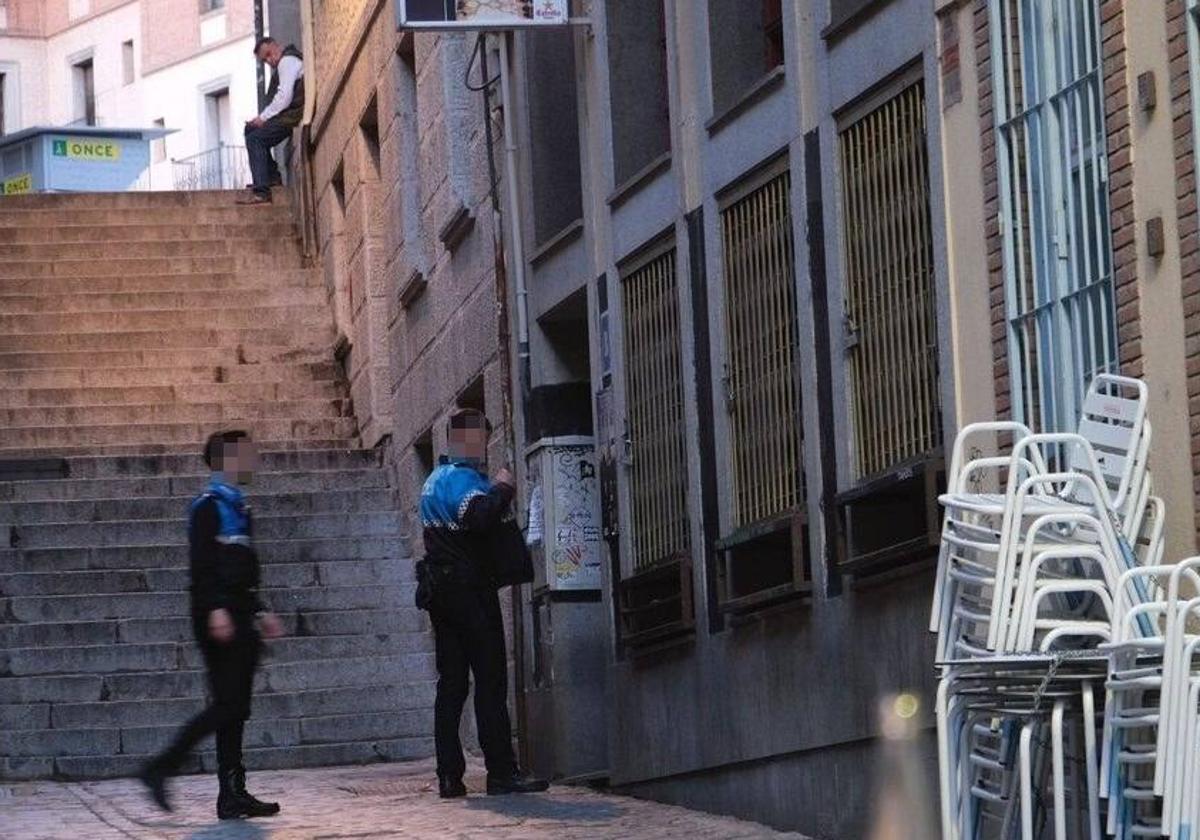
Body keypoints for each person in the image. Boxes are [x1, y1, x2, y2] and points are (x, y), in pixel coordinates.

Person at [139, 430, 284, 820]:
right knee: (228, 706)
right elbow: (202, 566)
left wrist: (258, 609)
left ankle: (232, 794)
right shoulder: (208, 507)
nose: (253, 461)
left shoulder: (239, 507)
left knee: (235, 709)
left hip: (239, 614)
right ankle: (161, 767)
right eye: (247, 455)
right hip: (219, 616)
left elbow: (241, 570)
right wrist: (216, 609)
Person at [416, 408, 548, 798]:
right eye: (482, 441)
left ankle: (449, 775)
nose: (484, 450)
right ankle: (501, 773)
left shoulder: (432, 480)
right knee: (490, 679)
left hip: (441, 593)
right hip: (469, 592)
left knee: (452, 684)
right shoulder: (462, 480)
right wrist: (504, 487)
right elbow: (480, 516)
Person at [237, 37, 304, 205]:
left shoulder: (287, 61)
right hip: (289, 112)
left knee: (256, 139)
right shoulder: (284, 63)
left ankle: (262, 191)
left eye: (268, 54)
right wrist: (260, 120)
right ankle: (271, 178)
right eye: (265, 60)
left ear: (276, 46)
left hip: (294, 113)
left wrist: (263, 118)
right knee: (250, 130)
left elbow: (284, 97)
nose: (269, 60)